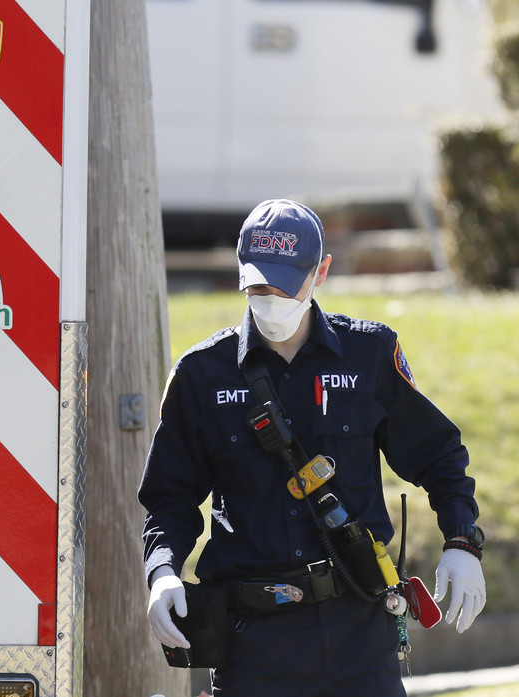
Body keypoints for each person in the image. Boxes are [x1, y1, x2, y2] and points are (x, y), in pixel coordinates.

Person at [139, 199, 486, 696]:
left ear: (320, 271)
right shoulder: (202, 374)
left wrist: (460, 542)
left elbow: (439, 455)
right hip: (253, 642)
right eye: (257, 283)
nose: (270, 295)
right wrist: (162, 570)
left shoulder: (368, 355)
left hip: (359, 635)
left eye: (284, 281)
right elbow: (169, 498)